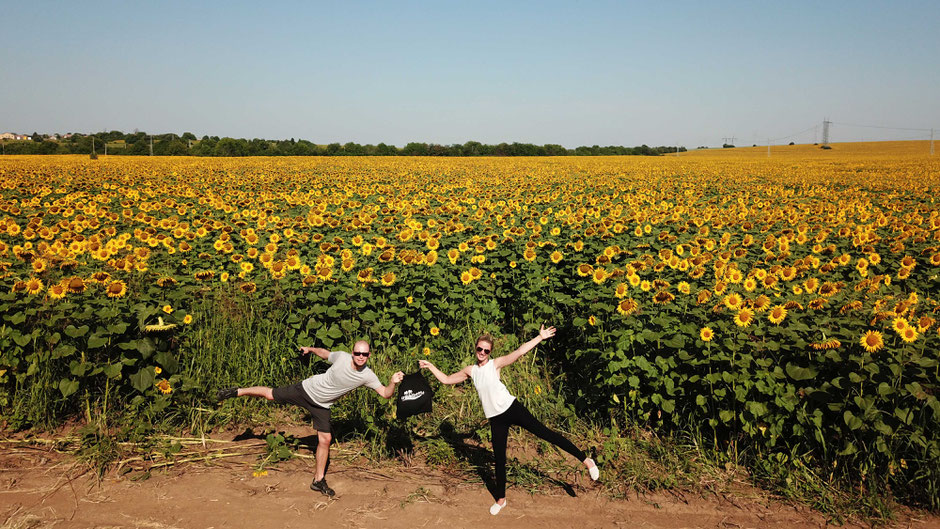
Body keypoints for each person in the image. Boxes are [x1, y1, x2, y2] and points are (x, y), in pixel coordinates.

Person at [419, 326, 598, 515]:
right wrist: (431, 366)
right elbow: (446, 379)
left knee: (546, 434)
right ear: (475, 349)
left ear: (490, 352)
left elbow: (519, 352)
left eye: (486, 350)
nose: (482, 353)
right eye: (479, 349)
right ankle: (501, 499)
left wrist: (539, 337)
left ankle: (587, 461)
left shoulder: (495, 364)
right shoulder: (470, 371)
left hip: (512, 409)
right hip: (496, 420)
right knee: (499, 459)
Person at [217, 340, 404, 497]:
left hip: (322, 405)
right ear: (352, 353)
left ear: (369, 355)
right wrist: (310, 350)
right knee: (270, 395)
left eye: (365, 354)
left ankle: (318, 480)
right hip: (306, 389)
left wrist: (392, 382)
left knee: (326, 439)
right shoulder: (342, 357)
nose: (361, 357)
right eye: (357, 353)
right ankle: (236, 391)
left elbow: (385, 394)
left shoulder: (367, 375)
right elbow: (325, 354)